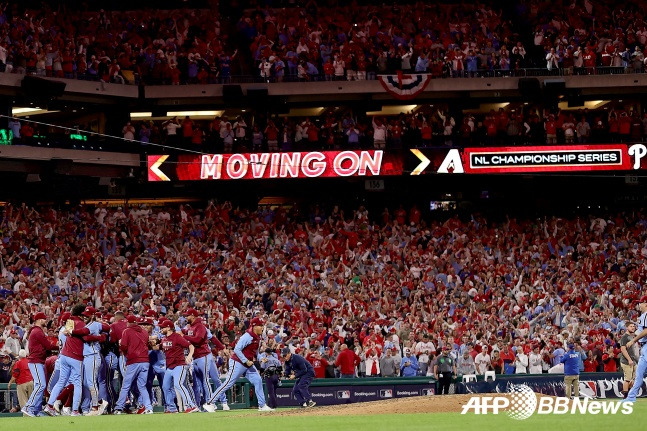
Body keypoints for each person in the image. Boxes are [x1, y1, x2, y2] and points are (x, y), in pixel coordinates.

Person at [203, 317, 274, 412]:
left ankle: (262, 405)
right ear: (254, 326)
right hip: (238, 362)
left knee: (258, 380)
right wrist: (245, 360)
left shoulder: (258, 336)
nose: (262, 327)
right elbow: (236, 349)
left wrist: (261, 358)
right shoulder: (247, 336)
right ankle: (210, 403)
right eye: (260, 325)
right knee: (228, 383)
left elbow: (255, 351)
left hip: (247, 364)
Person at [44, 304, 91, 416]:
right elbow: (86, 335)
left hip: (63, 355)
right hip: (75, 356)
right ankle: (74, 410)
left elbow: (67, 332)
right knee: (77, 383)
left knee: (61, 382)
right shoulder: (82, 323)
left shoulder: (70, 321)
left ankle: (49, 406)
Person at [113, 317, 153, 415]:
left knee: (126, 385)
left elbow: (123, 346)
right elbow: (148, 345)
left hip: (134, 361)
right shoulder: (144, 332)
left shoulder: (127, 331)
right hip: (145, 361)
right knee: (142, 386)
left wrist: (127, 354)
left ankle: (119, 408)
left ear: (129, 323)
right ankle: (149, 407)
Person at [158, 319, 198, 413]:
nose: (161, 329)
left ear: (168, 328)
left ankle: (191, 406)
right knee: (165, 386)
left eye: (162, 327)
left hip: (179, 365)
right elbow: (159, 347)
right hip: (169, 366)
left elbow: (190, 346)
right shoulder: (164, 339)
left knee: (178, 384)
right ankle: (172, 408)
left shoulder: (177, 337)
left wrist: (189, 356)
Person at [22, 311, 57, 417]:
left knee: (40, 385)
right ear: (38, 320)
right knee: (41, 385)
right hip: (35, 361)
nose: (45, 320)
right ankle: (28, 407)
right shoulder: (37, 331)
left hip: (38, 361)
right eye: (44, 319)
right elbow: (48, 346)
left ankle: (35, 410)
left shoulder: (37, 331)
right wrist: (59, 345)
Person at [624, 298, 647, 403]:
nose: (639, 305)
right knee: (639, 373)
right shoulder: (643, 316)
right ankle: (631, 397)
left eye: (640, 303)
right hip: (644, 347)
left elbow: (646, 331)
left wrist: (633, 340)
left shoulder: (646, 314)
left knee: (639, 373)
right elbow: (641, 331)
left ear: (645, 303)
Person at [620, 322, 640, 398]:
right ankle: (625, 396)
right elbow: (623, 349)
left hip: (634, 360)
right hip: (626, 361)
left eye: (633, 326)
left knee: (635, 378)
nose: (633, 327)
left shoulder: (632, 337)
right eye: (631, 326)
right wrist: (629, 359)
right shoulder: (624, 337)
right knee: (627, 379)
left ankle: (627, 392)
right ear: (627, 328)